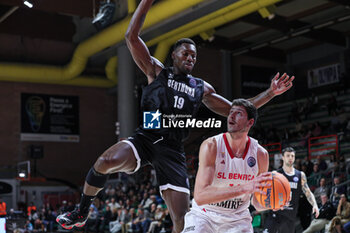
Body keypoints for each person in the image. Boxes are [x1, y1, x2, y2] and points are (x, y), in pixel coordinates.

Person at [56, 0, 294, 231]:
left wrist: (271, 93)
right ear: (174, 55)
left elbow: (238, 109)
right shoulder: (156, 71)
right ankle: (82, 211)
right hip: (145, 139)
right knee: (104, 162)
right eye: (186, 54)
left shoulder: (200, 87)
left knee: (181, 221)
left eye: (194, 56)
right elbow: (131, 36)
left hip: (171, 150)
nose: (190, 58)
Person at [182, 99, 274, 233]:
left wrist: (273, 202)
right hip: (204, 215)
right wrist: (244, 188)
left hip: (237, 219)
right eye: (231, 112)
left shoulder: (261, 155)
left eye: (238, 113)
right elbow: (200, 196)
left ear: (250, 122)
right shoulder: (211, 146)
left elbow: (257, 203)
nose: (231, 116)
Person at [263, 147, 320, 233]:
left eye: (292, 156)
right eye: (288, 155)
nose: (290, 158)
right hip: (276, 215)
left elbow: (308, 192)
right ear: (283, 157)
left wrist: (315, 205)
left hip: (290, 217)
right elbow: (265, 192)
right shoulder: (275, 174)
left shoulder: (300, 175)